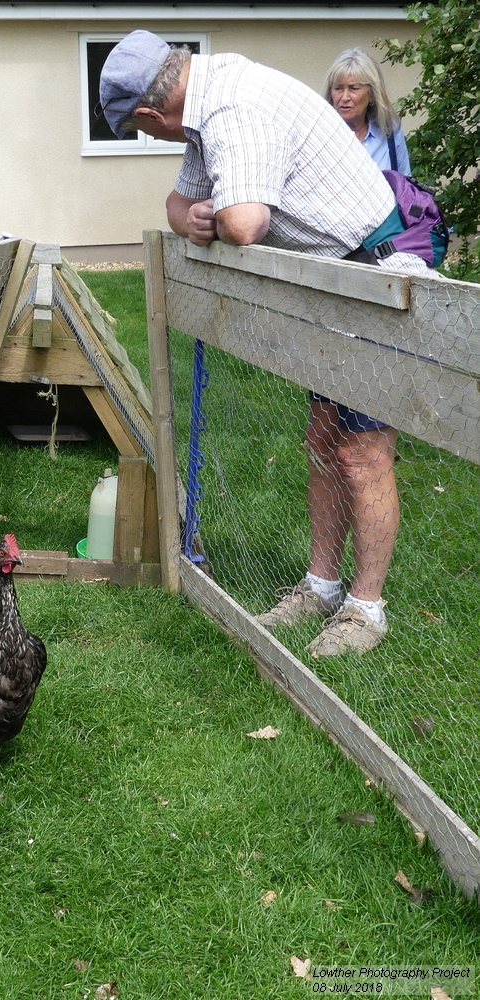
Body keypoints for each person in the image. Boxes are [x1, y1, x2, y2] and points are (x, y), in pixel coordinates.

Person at [99, 31, 431, 657]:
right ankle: (322, 585)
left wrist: (216, 215)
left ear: (149, 113)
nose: (155, 140)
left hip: (379, 272)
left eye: (144, 132)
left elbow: (245, 224)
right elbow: (181, 201)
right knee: (324, 440)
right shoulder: (203, 115)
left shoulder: (233, 106)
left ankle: (366, 609)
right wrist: (189, 217)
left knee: (363, 451)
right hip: (335, 277)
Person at [324, 47, 410, 173]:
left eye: (354, 88)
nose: (344, 97)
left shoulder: (390, 132)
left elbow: (404, 187)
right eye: (338, 88)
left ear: (371, 94)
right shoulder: (321, 135)